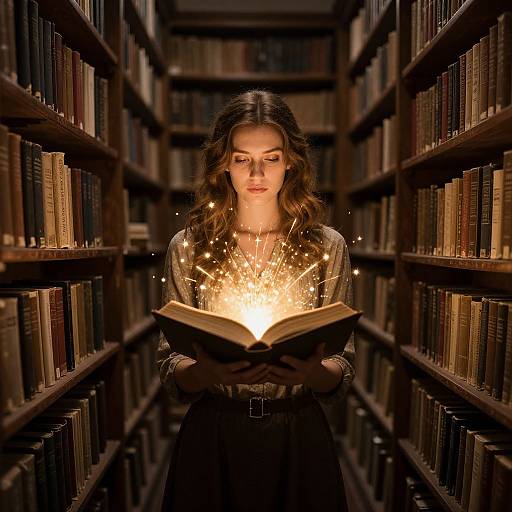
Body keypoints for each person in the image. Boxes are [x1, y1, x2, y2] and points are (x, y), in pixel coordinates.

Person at [157, 90, 355, 511]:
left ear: (291, 162)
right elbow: (171, 369)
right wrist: (206, 371)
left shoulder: (327, 246)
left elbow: (343, 369)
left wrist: (313, 371)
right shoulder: (188, 247)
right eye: (242, 158)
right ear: (223, 162)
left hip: (298, 434)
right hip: (214, 434)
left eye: (272, 157)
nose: (257, 172)